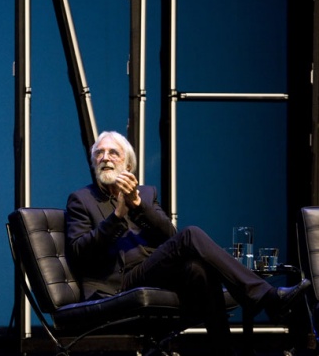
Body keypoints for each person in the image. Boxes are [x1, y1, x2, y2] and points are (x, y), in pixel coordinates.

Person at [65, 130, 310, 356]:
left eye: (112, 153)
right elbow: (79, 251)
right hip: (121, 281)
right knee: (191, 234)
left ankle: (223, 351)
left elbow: (169, 235)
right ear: (93, 162)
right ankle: (265, 297)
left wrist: (138, 205)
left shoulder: (147, 193)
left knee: (198, 269)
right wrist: (117, 216)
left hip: (154, 270)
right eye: (99, 153)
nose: (105, 158)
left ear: (127, 165)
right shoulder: (81, 199)